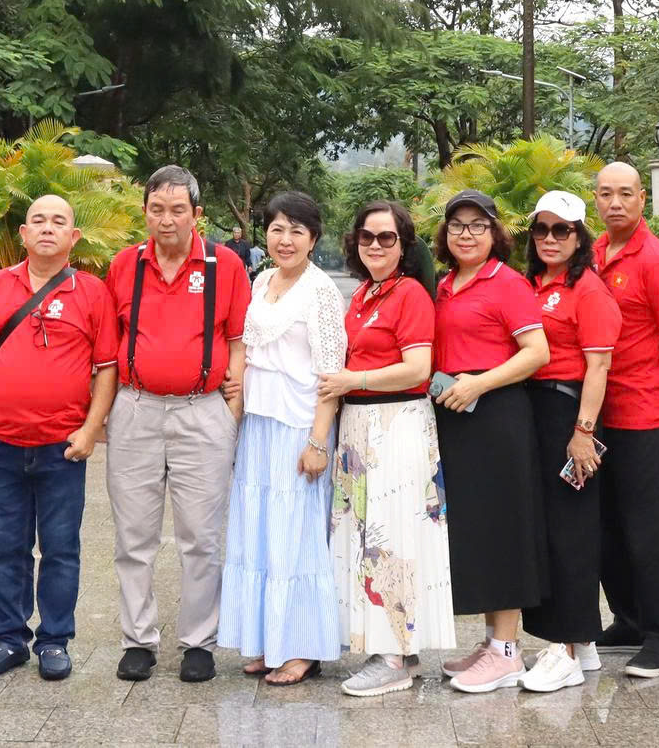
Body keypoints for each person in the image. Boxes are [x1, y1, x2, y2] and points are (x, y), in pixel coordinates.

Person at [0, 194, 120, 682]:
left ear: (74, 237)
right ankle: (9, 639)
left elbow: (107, 368)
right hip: (2, 443)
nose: (47, 228)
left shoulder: (93, 292)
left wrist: (91, 430)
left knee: (60, 548)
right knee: (8, 547)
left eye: (59, 222)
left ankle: (54, 640)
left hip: (62, 446)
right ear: (24, 234)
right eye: (38, 221)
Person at [106, 165, 251, 684]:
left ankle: (198, 641)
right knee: (133, 535)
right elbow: (110, 340)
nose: (166, 220)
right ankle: (138, 640)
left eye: (178, 210)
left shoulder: (224, 264)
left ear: (197, 214)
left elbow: (237, 341)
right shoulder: (124, 265)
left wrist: (231, 409)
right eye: (157, 209)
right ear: (144, 211)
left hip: (202, 409)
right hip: (137, 406)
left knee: (202, 536)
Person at [324, 200, 457, 697]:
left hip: (397, 423)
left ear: (405, 245)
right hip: (359, 425)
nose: (375, 245)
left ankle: (395, 655)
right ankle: (394, 645)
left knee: (393, 535)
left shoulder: (410, 296)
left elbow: (418, 368)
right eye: (367, 237)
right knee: (366, 535)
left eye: (387, 238)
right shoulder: (362, 295)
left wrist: (352, 379)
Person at [220, 191, 346, 686]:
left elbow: (330, 372)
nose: (285, 239)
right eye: (277, 228)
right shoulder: (261, 280)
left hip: (300, 426)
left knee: (297, 538)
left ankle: (303, 647)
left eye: (297, 230)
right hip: (260, 423)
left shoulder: (319, 293)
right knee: (260, 532)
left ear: (313, 239)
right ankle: (267, 640)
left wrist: (319, 441)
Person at [430, 189, 552, 694]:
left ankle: (507, 651)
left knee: (503, 530)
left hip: (497, 416)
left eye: (478, 225)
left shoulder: (508, 283)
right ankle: (489, 641)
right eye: (457, 225)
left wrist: (480, 382)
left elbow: (537, 352)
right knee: (476, 531)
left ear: (495, 233)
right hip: (457, 418)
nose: (466, 234)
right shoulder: (445, 285)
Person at [588, 162, 659, 677]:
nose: (615, 203)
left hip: (646, 411)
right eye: (606, 194)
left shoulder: (653, 259)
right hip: (597, 413)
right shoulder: (591, 254)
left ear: (642, 200)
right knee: (609, 525)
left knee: (652, 531)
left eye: (625, 194)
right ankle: (628, 619)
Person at [515, 190, 620, 693]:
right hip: (535, 410)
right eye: (542, 230)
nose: (550, 239)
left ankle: (566, 649)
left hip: (569, 409)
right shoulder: (533, 284)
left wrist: (583, 434)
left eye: (562, 230)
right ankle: (584, 643)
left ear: (580, 237)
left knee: (571, 532)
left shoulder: (589, 290)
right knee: (551, 528)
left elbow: (598, 366)